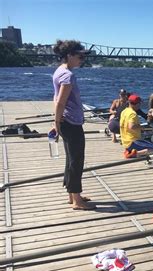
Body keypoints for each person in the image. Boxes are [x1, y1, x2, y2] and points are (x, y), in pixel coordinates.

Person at [52, 39, 95, 211]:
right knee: (77, 160)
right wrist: (56, 123)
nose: (82, 60)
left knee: (71, 159)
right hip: (71, 122)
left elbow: (54, 98)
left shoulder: (59, 71)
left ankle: (72, 195)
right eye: (80, 56)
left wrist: (56, 121)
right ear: (69, 55)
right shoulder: (68, 75)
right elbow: (60, 102)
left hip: (67, 122)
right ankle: (77, 201)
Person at [119, 94, 153, 158]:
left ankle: (129, 150)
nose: (140, 105)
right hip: (132, 141)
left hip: (125, 141)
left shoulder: (124, 111)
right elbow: (131, 126)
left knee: (145, 143)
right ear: (136, 104)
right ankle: (136, 153)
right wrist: (141, 127)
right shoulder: (133, 114)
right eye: (139, 103)